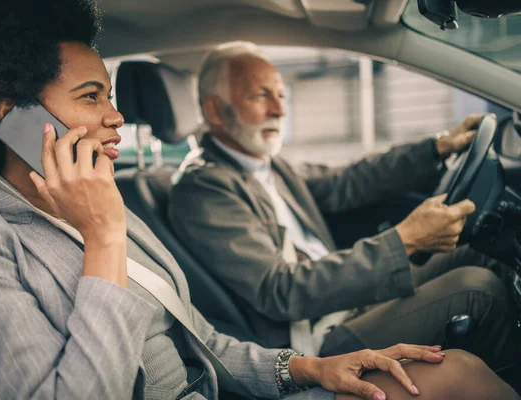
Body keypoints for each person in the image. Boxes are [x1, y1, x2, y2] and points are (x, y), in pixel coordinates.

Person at [0, 1, 517, 399]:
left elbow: (204, 342)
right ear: (13, 114)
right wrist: (103, 241)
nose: (116, 116)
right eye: (91, 96)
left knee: (453, 372)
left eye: (112, 95)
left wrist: (305, 368)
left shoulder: (106, 207)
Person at [168, 41, 519, 368]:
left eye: (280, 94)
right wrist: (403, 241)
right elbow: (280, 291)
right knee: (477, 289)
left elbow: (349, 181)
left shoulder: (267, 166)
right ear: (215, 110)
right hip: (313, 340)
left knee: (477, 249)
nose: (279, 109)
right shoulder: (204, 189)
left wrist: (435, 148)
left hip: (346, 301)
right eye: (261, 96)